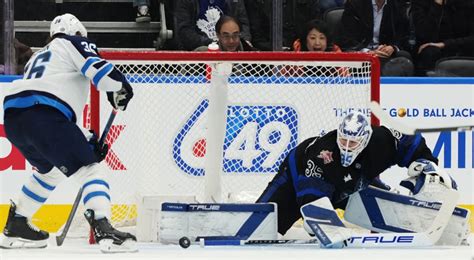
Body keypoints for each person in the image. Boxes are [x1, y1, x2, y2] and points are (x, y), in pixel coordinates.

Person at [0, 13, 136, 253]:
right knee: (90, 169)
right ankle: (103, 228)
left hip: (15, 117)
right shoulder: (73, 42)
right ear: (79, 33)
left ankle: (18, 223)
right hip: (44, 114)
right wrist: (121, 87)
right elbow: (102, 74)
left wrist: (84, 139)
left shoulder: (38, 56)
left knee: (50, 172)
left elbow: (52, 105)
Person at [256, 111, 442, 236]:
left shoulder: (381, 141)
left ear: (365, 139)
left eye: (352, 143)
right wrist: (319, 220)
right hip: (297, 179)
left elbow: (410, 141)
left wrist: (425, 161)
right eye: (343, 140)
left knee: (389, 217)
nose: (346, 146)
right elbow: (311, 197)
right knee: (260, 228)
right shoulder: (322, 154)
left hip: (353, 183)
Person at [336, 0, 415, 76]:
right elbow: (347, 37)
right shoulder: (355, 4)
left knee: (404, 56)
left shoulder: (397, 4)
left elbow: (402, 34)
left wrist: (392, 47)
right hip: (360, 51)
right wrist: (368, 52)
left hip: (383, 52)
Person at [411, 0, 474, 76]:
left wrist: (445, 44)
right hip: (434, 51)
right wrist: (437, 5)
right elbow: (424, 35)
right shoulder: (421, 3)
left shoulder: (468, 4)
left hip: (463, 48)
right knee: (429, 52)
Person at [175, 0, 252, 51]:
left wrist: (245, 41)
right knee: (203, 50)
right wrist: (214, 44)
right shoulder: (185, 2)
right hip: (201, 49)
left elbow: (243, 24)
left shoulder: (235, 1)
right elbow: (184, 32)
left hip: (231, 44)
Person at [244, 0, 321, 51]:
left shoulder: (307, 2)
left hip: (301, 51)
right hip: (267, 54)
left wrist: (297, 46)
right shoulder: (257, 2)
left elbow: (314, 27)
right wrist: (275, 48)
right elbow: (257, 37)